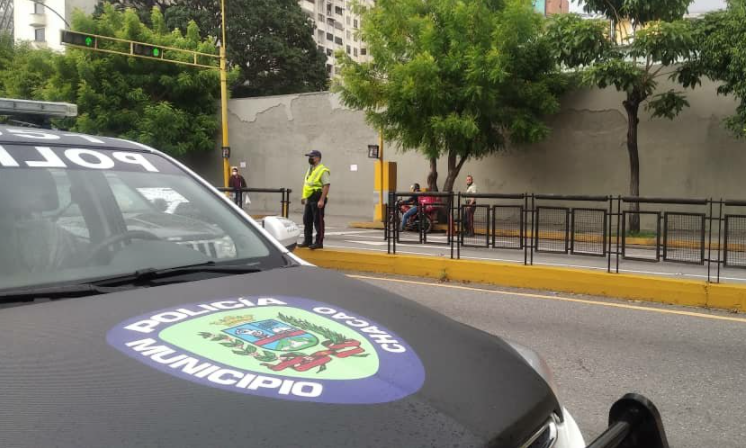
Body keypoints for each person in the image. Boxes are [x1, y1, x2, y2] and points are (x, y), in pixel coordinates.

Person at [299, 150, 330, 250]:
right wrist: (304, 197)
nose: (309, 158)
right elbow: (307, 184)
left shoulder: (323, 170)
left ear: (317, 158)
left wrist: (321, 200)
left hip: (318, 196)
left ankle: (319, 242)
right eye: (309, 156)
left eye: (311, 157)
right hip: (310, 197)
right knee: (307, 219)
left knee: (318, 221)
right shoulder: (310, 169)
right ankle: (307, 241)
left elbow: (326, 185)